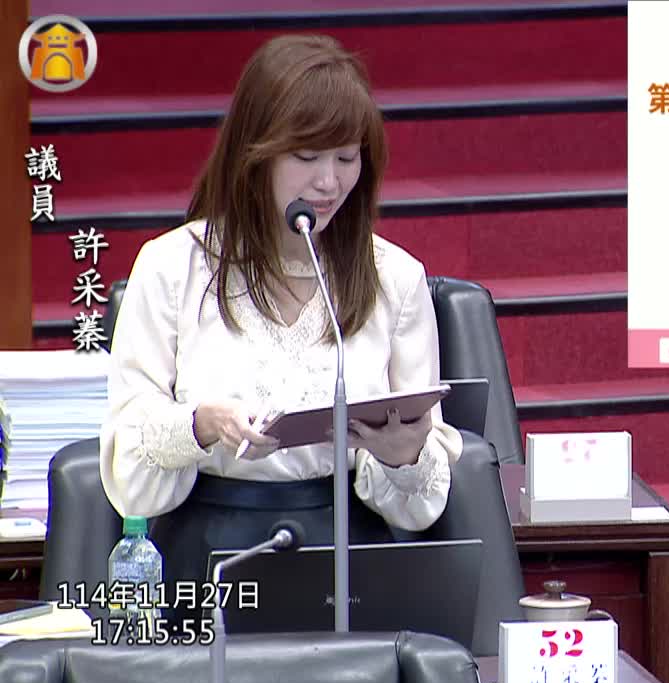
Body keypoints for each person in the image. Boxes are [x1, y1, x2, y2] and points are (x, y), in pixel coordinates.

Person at [99, 35, 463, 623]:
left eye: (346, 158)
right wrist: (202, 424)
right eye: (307, 157)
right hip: (208, 550)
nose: (329, 183)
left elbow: (421, 498)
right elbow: (128, 466)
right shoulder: (172, 267)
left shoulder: (395, 278)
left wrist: (404, 457)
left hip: (350, 554)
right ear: (256, 152)